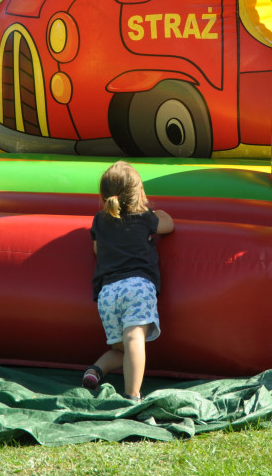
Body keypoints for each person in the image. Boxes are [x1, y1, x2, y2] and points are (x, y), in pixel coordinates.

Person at [83, 160, 174, 400]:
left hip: (107, 294)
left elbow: (96, 250)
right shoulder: (144, 217)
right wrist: (158, 213)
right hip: (137, 286)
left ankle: (96, 370)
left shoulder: (99, 220)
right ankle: (132, 394)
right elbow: (168, 226)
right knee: (134, 338)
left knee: (121, 348)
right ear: (139, 193)